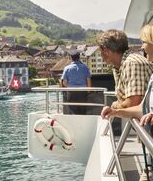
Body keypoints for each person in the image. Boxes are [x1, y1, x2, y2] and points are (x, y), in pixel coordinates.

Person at [100, 25, 153, 181]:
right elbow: (142, 107)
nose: (142, 46)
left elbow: (134, 102)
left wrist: (117, 106)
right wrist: (115, 112)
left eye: (145, 41)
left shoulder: (133, 63)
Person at [97, 29, 153, 110]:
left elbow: (133, 103)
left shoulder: (132, 63)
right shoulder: (119, 66)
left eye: (100, 51)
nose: (101, 55)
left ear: (106, 51)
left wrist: (115, 107)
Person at [61, 50, 91, 114]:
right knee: (83, 111)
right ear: (79, 57)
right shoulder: (85, 67)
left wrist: (69, 87)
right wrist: (88, 91)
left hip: (71, 92)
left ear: (71, 58)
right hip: (83, 92)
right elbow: (88, 80)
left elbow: (64, 82)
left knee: (72, 111)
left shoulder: (67, 68)